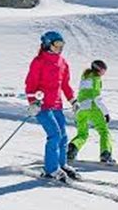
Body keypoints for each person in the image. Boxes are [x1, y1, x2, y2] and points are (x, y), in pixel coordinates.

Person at [24, 31, 80, 180]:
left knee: (63, 136)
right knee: (54, 135)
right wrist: (33, 102)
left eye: (62, 45)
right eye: (57, 45)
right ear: (48, 44)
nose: (60, 48)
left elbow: (65, 85)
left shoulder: (63, 62)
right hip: (42, 106)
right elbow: (30, 85)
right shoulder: (39, 61)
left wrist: (73, 100)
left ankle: (62, 165)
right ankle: (51, 169)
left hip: (57, 105)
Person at [67, 60, 115, 164]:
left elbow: (82, 94)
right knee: (104, 131)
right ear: (98, 69)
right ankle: (105, 154)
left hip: (80, 108)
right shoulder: (96, 79)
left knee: (82, 133)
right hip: (92, 107)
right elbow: (96, 98)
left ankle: (72, 148)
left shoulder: (85, 77)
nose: (104, 73)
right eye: (103, 70)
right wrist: (105, 113)